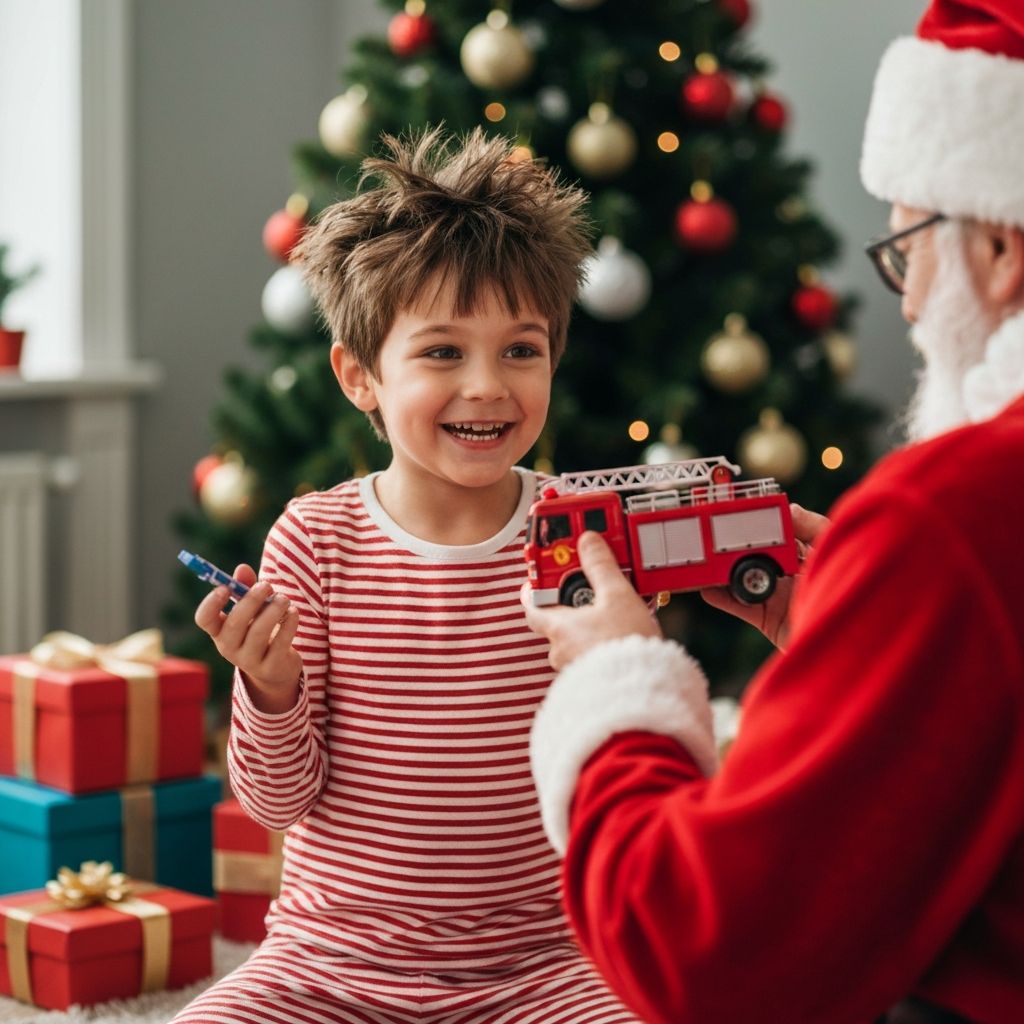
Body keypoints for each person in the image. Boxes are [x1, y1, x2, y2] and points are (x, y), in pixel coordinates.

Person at [522, 2, 1024, 1022]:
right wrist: (870, 642)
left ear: (1004, 246)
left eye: (909, 250)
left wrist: (613, 678)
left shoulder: (954, 513)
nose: (910, 304)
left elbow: (702, 958)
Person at [175, 128, 641, 1023]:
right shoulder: (314, 540)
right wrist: (270, 689)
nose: (487, 387)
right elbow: (277, 802)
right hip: (328, 963)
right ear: (360, 377)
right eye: (440, 353)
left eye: (521, 349)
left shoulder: (578, 531)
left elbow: (619, 756)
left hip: (546, 963)